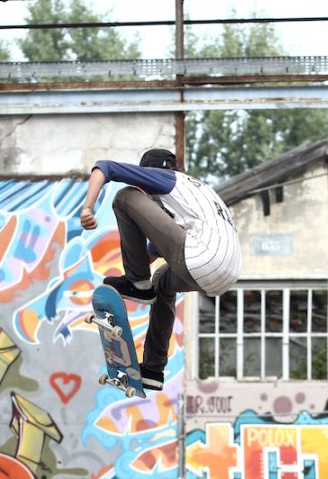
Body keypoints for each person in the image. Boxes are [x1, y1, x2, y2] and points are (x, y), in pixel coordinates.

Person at [80, 148, 242, 391]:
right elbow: (153, 252)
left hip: (202, 256)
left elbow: (104, 167)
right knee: (161, 281)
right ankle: (153, 370)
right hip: (226, 274)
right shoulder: (194, 195)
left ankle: (138, 284)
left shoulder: (167, 179)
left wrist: (87, 209)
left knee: (125, 197)